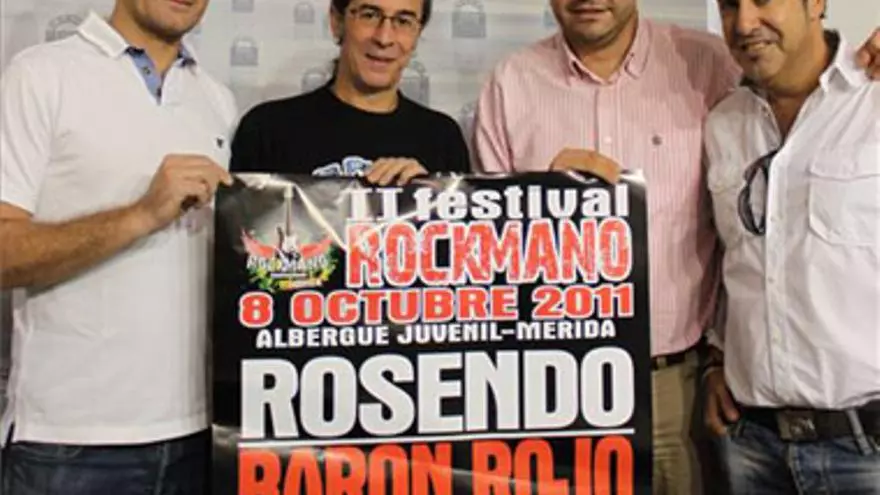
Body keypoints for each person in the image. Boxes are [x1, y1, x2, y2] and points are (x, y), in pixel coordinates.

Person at [470, 0, 880, 493]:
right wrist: (546, 207)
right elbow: (483, 259)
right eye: (730, 6)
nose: (745, 23)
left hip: (682, 396)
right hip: (555, 391)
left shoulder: (712, 65)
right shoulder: (509, 85)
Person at [0, 0, 236, 493]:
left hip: (197, 436)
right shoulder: (40, 75)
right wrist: (142, 214)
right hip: (69, 444)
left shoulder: (216, 99)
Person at [703, 0, 879, 493]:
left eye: (763, 0)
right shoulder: (722, 123)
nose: (744, 23)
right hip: (751, 446)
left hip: (867, 451)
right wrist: (716, 360)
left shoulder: (873, 100)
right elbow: (730, 263)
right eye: (729, 5)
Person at [230, 0, 471, 181]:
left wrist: (429, 199)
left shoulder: (443, 139)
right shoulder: (267, 130)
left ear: (417, 34)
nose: (384, 38)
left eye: (403, 21)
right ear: (337, 22)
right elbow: (244, 230)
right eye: (369, 15)